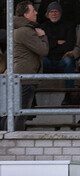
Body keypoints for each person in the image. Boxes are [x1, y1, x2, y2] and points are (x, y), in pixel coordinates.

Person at [1, 2, 49, 131]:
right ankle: (13, 141)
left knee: (12, 114)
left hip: (20, 76)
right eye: (33, 10)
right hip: (25, 78)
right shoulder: (25, 31)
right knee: (19, 114)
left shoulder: (16, 29)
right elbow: (43, 50)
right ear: (26, 14)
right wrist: (43, 36)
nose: (36, 13)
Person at [40, 2, 77, 100]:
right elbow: (42, 46)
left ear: (60, 13)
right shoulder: (43, 27)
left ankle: (69, 94)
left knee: (69, 61)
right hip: (47, 59)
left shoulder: (68, 25)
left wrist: (51, 43)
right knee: (37, 61)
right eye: (51, 12)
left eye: (56, 11)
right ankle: (33, 96)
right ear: (47, 14)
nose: (54, 14)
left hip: (62, 59)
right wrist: (57, 42)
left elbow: (69, 45)